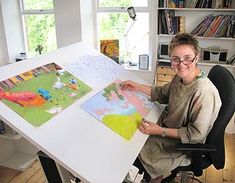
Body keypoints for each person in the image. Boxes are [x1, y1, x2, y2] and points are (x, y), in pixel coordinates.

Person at [121, 33, 222, 183]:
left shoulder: (203, 91)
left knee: (132, 147)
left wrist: (159, 131)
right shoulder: (180, 78)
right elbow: (162, 93)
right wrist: (136, 86)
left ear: (197, 57)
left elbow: (195, 135)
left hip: (181, 145)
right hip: (168, 130)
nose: (181, 64)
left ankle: (157, 178)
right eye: (175, 59)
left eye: (187, 58)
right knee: (131, 138)